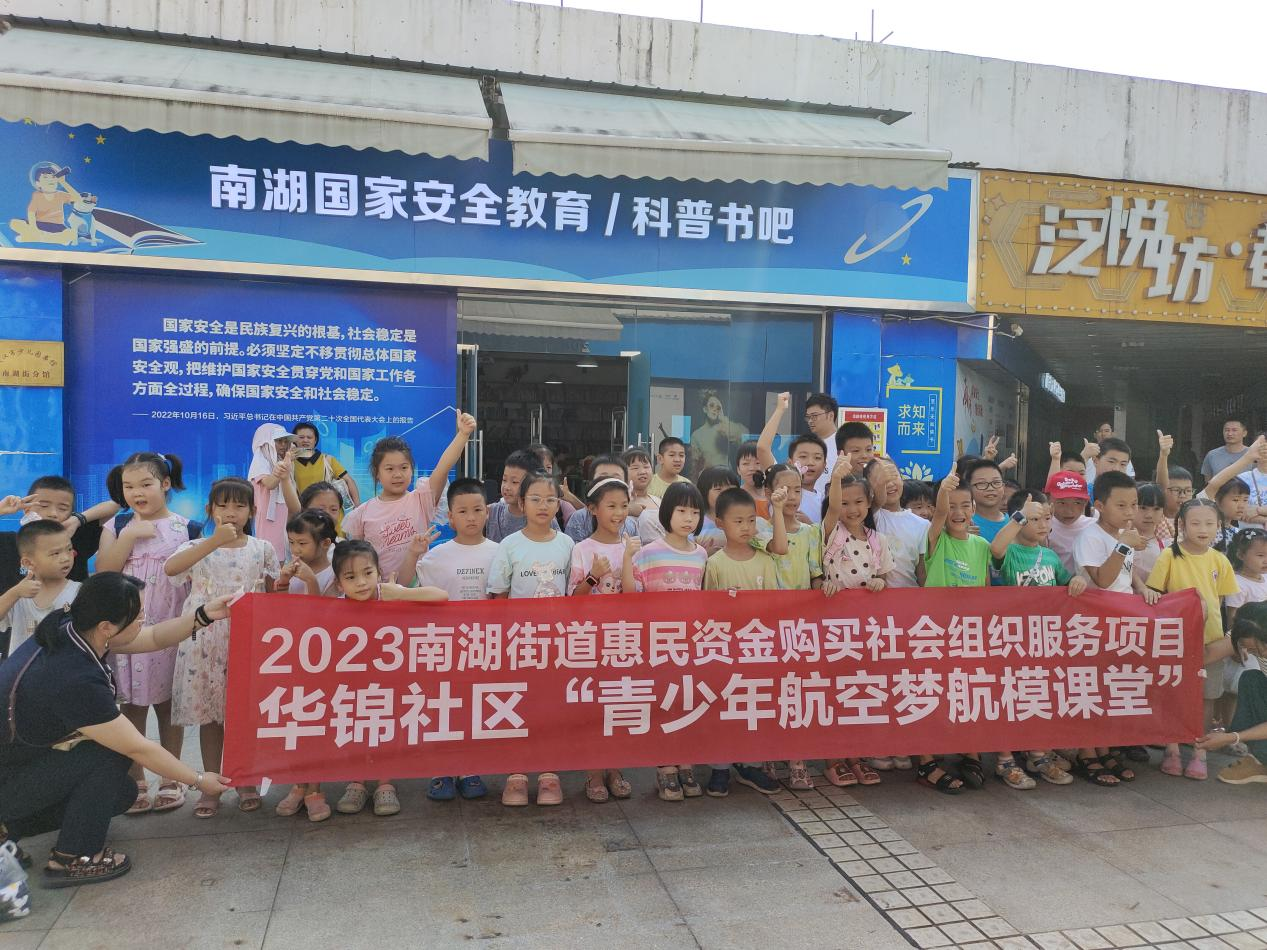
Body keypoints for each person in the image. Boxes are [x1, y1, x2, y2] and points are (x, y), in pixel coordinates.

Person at [0, 574, 233, 890]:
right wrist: (199, 779)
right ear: (107, 627)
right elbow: (138, 748)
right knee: (112, 751)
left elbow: (153, 638)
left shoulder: (72, 626)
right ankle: (72, 858)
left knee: (121, 793)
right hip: (10, 777)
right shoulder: (73, 677)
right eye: (138, 615)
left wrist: (204, 615)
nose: (144, 620)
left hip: (19, 765)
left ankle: (8, 828)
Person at [163, 477, 280, 818]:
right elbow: (171, 569)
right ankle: (210, 785)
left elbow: (273, 591)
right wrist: (213, 541)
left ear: (252, 511)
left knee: (245, 714)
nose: (231, 512)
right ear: (210, 509)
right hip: (204, 638)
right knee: (210, 716)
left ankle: (246, 780)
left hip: (249, 638)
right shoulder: (196, 546)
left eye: (239, 506)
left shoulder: (262, 548)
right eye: (223, 505)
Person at [95, 452, 196, 816]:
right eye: (128, 486)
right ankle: (135, 779)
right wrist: (129, 536)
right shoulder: (118, 525)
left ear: (165, 484)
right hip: (127, 634)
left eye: (146, 484)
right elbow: (104, 571)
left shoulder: (188, 528)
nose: (137, 492)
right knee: (131, 706)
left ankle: (171, 778)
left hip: (171, 630)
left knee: (170, 707)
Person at [329, 539, 447, 817]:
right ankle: (357, 782)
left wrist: (403, 593)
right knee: (355, 729)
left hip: (390, 681)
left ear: (379, 572)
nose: (361, 582)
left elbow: (440, 596)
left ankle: (385, 783)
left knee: (386, 730)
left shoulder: (390, 594)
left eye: (368, 573)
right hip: (351, 684)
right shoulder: (335, 607)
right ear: (338, 583)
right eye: (350, 577)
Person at [402, 479, 495, 803]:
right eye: (462, 511)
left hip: (485, 646)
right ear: (450, 517)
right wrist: (413, 554)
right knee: (445, 708)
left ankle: (470, 768)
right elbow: (404, 586)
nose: (471, 517)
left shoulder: (501, 552)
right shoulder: (437, 555)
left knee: (475, 709)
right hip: (445, 646)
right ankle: (441, 769)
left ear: (487, 512)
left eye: (477, 510)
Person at [487, 471, 574, 807]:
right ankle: (517, 774)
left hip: (557, 644)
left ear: (559, 505)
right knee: (518, 706)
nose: (543, 505)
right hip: (518, 642)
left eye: (550, 499)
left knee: (551, 709)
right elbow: (499, 595)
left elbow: (573, 594)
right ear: (521, 504)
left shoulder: (567, 544)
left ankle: (549, 774)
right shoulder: (509, 545)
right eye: (535, 499)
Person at [988, 490, 1086, 787]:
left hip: (1044, 642)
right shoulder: (1010, 552)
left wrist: (1077, 580)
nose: (1043, 524)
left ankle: (1038, 755)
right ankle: (1005, 760)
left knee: (1038, 697)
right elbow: (996, 548)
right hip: (1011, 641)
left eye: (1046, 518)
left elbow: (1066, 582)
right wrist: (1019, 517)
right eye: (1034, 519)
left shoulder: (1051, 556)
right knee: (1008, 699)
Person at [623, 482, 709, 802]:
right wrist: (627, 558)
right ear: (667, 513)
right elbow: (631, 596)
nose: (688, 518)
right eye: (681, 510)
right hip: (658, 645)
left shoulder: (701, 554)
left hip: (689, 647)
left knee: (687, 704)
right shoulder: (649, 552)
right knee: (663, 706)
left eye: (695, 512)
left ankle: (685, 762)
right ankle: (665, 768)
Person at [1147, 497, 1239, 781]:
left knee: (1206, 697)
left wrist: (1230, 637)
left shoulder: (1220, 560)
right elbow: (1155, 593)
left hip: (1210, 640)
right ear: (1182, 525)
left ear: (1218, 526)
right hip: (1175, 639)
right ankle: (1172, 748)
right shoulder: (1169, 556)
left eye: (1209, 523)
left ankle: (1200, 751)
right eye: (1196, 523)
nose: (1203, 529)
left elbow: (1221, 601)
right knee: (1174, 694)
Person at [1072, 470, 1153, 787]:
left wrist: (1142, 587)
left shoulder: (1122, 535)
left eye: (1134, 505)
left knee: (1109, 689)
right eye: (1121, 505)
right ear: (1099, 505)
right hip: (1093, 625)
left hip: (1121, 622)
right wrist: (1122, 547)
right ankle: (1086, 752)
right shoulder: (1091, 536)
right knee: (1090, 690)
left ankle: (1104, 748)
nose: (1130, 512)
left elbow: (1125, 575)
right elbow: (1103, 580)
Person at [702, 487, 782, 797]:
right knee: (722, 706)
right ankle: (720, 767)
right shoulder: (715, 563)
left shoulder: (765, 560)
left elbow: (775, 606)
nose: (746, 527)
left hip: (758, 649)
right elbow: (708, 610)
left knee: (754, 705)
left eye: (751, 520)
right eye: (738, 521)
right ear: (720, 523)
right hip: (724, 650)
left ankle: (751, 764)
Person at [820, 468, 892, 788]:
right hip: (832, 629)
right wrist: (836, 478)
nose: (851, 509)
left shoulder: (879, 540)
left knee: (859, 692)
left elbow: (884, 575)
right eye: (844, 502)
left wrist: (879, 582)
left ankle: (856, 754)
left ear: (870, 502)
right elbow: (834, 507)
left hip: (865, 631)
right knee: (832, 693)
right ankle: (833, 758)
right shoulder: (830, 532)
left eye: (859, 501)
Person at [568, 476, 637, 803]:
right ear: (593, 509)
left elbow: (636, 596)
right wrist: (594, 575)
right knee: (593, 707)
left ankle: (615, 768)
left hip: (625, 640)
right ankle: (593, 771)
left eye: (624, 506)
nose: (619, 513)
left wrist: (628, 559)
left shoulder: (631, 546)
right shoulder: (581, 549)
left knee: (619, 704)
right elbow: (574, 599)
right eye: (611, 506)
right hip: (591, 641)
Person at [343, 414, 476, 579]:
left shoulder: (421, 499)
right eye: (389, 469)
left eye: (404, 468)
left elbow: (443, 467)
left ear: (412, 469)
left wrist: (463, 434)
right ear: (377, 473)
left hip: (419, 586)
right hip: (380, 590)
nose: (398, 474)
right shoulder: (362, 514)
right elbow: (357, 559)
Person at [270, 509, 338, 824]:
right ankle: (298, 783)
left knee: (317, 724)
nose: (296, 550)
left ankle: (315, 788)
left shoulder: (335, 573)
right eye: (292, 543)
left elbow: (324, 614)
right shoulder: (292, 569)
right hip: (292, 657)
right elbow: (279, 610)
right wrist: (283, 583)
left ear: (324, 543)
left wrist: (310, 581)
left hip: (323, 659)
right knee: (295, 722)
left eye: (302, 543)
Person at [0, 476, 119, 585]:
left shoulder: (77, 537)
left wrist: (78, 519)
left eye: (62, 508)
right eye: (44, 506)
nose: (53, 513)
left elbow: (118, 506)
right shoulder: (8, 542)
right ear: (27, 509)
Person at [1196, 603, 1267, 784]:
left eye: (1260, 647)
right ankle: (1260, 759)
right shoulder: (1246, 627)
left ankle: (1261, 759)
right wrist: (1199, 622)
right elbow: (1204, 656)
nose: (1262, 653)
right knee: (1251, 680)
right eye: (1251, 649)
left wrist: (1231, 738)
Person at [0, 521, 79, 658]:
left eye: (69, 549)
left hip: (64, 668)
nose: (66, 558)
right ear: (28, 563)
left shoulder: (79, 591)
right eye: (55, 553)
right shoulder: (20, 593)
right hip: (24, 669)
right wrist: (15, 593)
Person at [1221, 527, 1267, 737]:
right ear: (1240, 554)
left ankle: (1247, 731)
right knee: (1234, 689)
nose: (1265, 560)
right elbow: (1233, 617)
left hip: (1263, 645)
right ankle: (1231, 729)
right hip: (1246, 645)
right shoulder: (1238, 582)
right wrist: (1237, 645)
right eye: (1260, 555)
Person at [757, 393, 827, 524]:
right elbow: (762, 448)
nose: (810, 462)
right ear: (790, 462)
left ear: (824, 465)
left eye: (817, 458)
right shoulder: (779, 480)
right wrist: (780, 409)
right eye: (803, 456)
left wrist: (809, 526)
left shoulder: (825, 500)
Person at [870, 458, 928, 593]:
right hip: (874, 598)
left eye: (894, 476)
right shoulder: (870, 517)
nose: (889, 483)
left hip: (908, 597)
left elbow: (921, 571)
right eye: (882, 478)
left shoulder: (922, 524)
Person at [247, 423, 302, 563]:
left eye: (285, 441)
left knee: (283, 551)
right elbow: (270, 484)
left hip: (283, 511)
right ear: (266, 443)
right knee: (269, 554)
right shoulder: (260, 460)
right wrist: (285, 465)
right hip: (268, 516)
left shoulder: (279, 460)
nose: (283, 445)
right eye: (278, 441)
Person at [563, 455, 636, 542]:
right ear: (591, 483)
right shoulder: (579, 518)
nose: (609, 483)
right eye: (603, 478)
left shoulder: (631, 524)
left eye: (616, 478)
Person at [291, 421, 360, 510]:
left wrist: (357, 508)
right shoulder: (290, 463)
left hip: (331, 514)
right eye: (301, 437)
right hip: (306, 514)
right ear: (294, 440)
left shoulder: (328, 460)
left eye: (309, 437)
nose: (305, 440)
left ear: (315, 440)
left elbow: (349, 480)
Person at [486, 448, 543, 543]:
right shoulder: (492, 512)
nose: (506, 487)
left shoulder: (543, 516)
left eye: (514, 482)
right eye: (504, 480)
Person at [1045, 471, 1095, 578]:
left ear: (1085, 502)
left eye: (1077, 503)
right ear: (1048, 500)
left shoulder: (1094, 526)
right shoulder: (1042, 526)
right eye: (1062, 503)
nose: (1069, 511)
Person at [689, 389, 748, 476]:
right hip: (708, 477)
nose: (715, 409)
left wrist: (723, 419)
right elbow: (695, 465)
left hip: (727, 476)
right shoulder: (696, 435)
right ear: (705, 409)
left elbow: (745, 436)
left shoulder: (725, 429)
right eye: (711, 406)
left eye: (718, 408)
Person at [694, 466, 741, 554]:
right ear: (704, 493)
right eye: (718, 489)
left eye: (731, 489)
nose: (726, 494)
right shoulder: (695, 522)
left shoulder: (744, 519)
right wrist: (704, 553)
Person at [528, 443, 581, 519]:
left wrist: (570, 497)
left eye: (548, 467)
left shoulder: (560, 498)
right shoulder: (517, 498)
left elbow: (588, 518)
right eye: (539, 466)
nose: (545, 471)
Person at [962, 458, 1008, 544]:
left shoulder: (1013, 521)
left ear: (1003, 487)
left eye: (996, 482)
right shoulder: (963, 523)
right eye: (982, 484)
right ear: (968, 488)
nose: (990, 488)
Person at [803, 393, 840, 481]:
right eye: (808, 417)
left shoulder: (843, 443)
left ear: (830, 415)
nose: (810, 421)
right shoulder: (806, 444)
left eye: (814, 416)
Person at [1201, 417, 1250, 481]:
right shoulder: (1212, 455)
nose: (1230, 434)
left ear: (1244, 433)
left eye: (1234, 430)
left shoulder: (1253, 455)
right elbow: (1208, 482)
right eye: (1227, 430)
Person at [622, 448, 659, 520]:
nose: (642, 472)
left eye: (646, 467)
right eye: (635, 468)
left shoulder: (659, 501)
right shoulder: (619, 503)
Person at [735, 441, 769, 519]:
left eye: (757, 463)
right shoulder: (735, 497)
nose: (752, 468)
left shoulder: (775, 495)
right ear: (738, 469)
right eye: (746, 463)